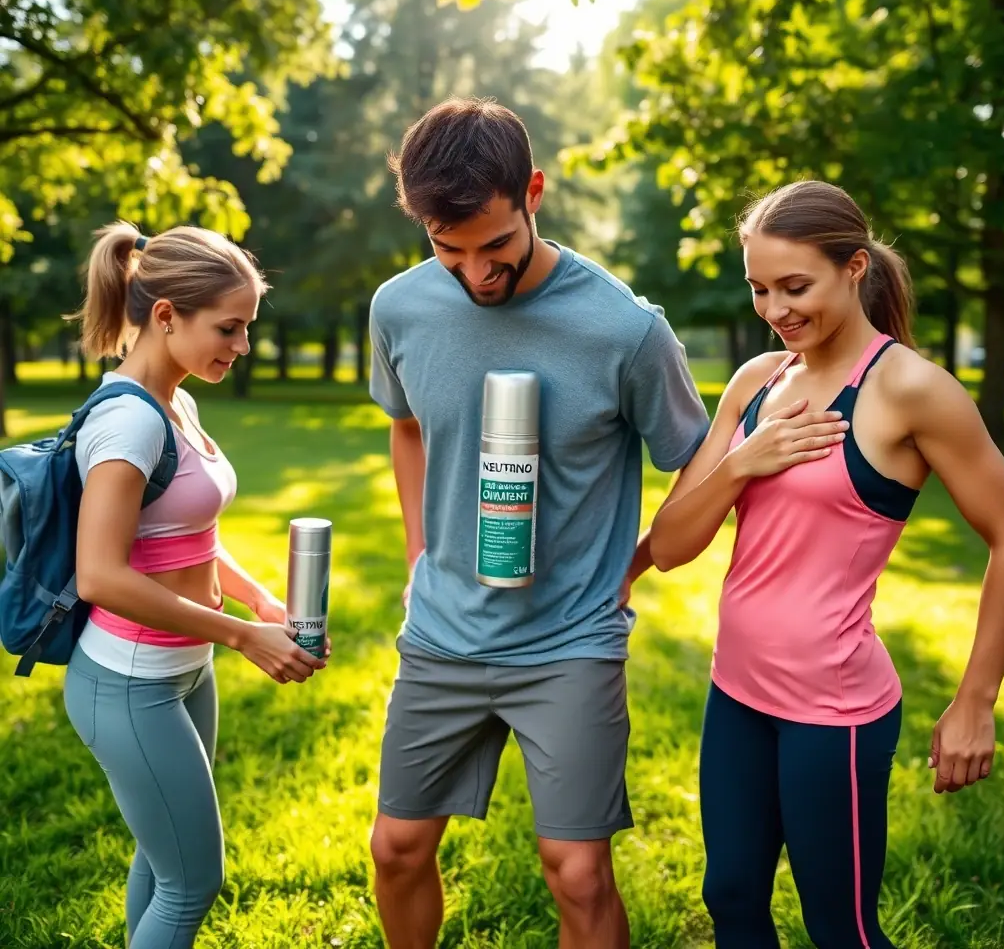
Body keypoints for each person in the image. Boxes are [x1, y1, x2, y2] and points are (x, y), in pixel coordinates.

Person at [366, 96, 710, 949]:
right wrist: (418, 550)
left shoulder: (627, 332)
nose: (477, 274)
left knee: (578, 871)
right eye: (448, 251)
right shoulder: (398, 309)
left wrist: (629, 567)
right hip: (442, 633)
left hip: (569, 641)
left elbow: (696, 466)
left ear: (534, 194)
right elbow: (404, 425)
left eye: (495, 247)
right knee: (397, 848)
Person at [649, 180, 1004, 949]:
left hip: (836, 714)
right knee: (730, 897)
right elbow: (671, 546)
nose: (776, 310)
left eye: (795, 286)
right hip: (738, 691)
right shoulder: (758, 382)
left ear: (855, 268)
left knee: (840, 928)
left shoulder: (912, 391)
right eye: (758, 288)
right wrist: (742, 463)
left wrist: (975, 702)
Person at [61, 222, 327, 949]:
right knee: (191, 884)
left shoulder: (177, 402)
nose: (241, 348)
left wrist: (257, 599)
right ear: (167, 316)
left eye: (246, 330)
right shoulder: (127, 424)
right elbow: (101, 574)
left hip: (182, 672)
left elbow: (187, 537)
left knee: (165, 858)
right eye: (230, 328)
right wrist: (245, 637)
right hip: (129, 682)